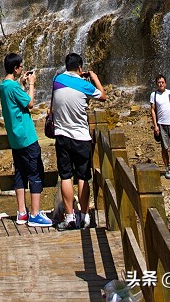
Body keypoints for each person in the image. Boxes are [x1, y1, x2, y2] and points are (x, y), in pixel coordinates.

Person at [52, 52, 106, 231]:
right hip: (81, 137)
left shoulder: (57, 80)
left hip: (61, 135)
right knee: (83, 177)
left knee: (65, 176)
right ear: (80, 68)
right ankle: (84, 216)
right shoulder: (85, 85)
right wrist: (94, 77)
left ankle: (69, 217)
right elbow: (103, 96)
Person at [0, 52, 52, 227]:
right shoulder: (13, 87)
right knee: (35, 172)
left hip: (15, 139)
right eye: (21, 67)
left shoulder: (4, 86)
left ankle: (22, 212)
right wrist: (30, 84)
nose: (22, 69)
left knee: (20, 174)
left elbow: (15, 102)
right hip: (26, 137)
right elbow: (29, 103)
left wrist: (21, 85)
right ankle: (35, 214)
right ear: (15, 68)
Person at [150, 74, 170, 180]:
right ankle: (167, 168)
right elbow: (152, 110)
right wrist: (155, 125)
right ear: (156, 84)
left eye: (162, 82)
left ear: (165, 83)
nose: (160, 84)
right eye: (158, 83)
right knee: (164, 148)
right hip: (161, 124)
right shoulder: (154, 94)